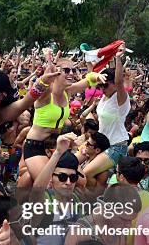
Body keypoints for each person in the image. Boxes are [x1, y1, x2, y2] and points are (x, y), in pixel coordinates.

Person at [24, 55, 103, 183]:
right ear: (57, 72)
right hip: (35, 146)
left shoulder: (68, 92)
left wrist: (97, 76)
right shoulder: (46, 94)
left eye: (73, 70)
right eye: (66, 70)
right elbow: (37, 88)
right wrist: (45, 77)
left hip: (56, 145)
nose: (71, 73)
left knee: (81, 182)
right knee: (48, 183)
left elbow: (88, 80)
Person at [83, 47, 130, 187]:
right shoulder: (104, 97)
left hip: (116, 146)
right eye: (100, 86)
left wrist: (118, 58)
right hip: (100, 143)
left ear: (114, 84)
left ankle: (93, 200)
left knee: (86, 173)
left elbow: (120, 81)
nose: (102, 89)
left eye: (105, 85)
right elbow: (92, 74)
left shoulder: (120, 98)